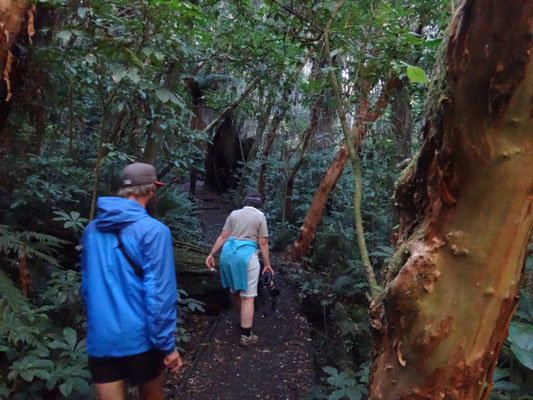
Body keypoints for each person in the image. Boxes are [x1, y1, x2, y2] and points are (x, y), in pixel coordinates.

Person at [81, 162, 182, 400]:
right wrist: (167, 346)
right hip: (141, 341)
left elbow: (86, 288)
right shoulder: (154, 231)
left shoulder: (91, 231)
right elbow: (160, 295)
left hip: (101, 340)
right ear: (151, 191)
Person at [206, 191, 274, 347]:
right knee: (248, 297)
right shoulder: (260, 216)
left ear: (245, 203)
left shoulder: (234, 214)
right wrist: (268, 264)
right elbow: (262, 243)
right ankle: (246, 335)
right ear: (259, 205)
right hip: (246, 256)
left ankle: (243, 319)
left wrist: (211, 254)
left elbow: (223, 236)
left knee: (235, 291)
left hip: (228, 255)